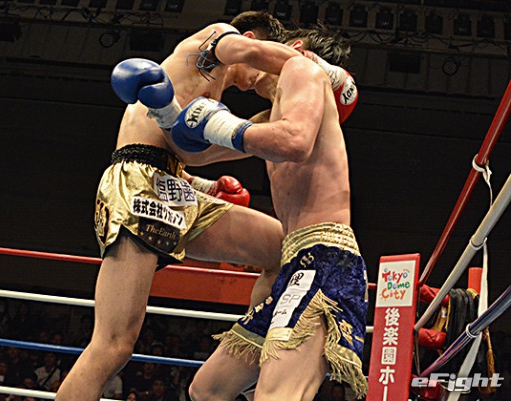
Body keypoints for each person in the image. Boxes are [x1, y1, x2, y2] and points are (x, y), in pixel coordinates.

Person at [57, 12, 356, 401]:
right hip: (138, 181)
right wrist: (319, 68)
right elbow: (247, 62)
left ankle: (260, 342)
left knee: (278, 247)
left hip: (175, 187)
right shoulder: (219, 38)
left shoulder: (242, 105)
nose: (252, 82)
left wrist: (206, 180)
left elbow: (194, 149)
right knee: (113, 345)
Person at [152, 25, 367, 400]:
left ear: (293, 47)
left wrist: (216, 121)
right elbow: (200, 153)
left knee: (277, 395)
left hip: (324, 258)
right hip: (294, 263)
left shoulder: (302, 70)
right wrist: (168, 114)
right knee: (208, 390)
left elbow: (295, 142)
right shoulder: (271, 116)